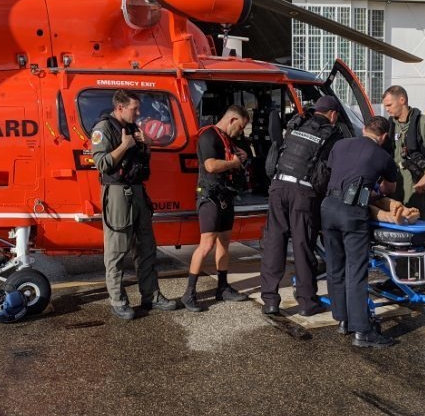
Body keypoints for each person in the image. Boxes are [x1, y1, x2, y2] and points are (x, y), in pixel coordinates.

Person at [91, 90, 177, 320]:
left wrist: (146, 144)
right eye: (134, 108)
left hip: (138, 191)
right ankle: (118, 301)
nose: (138, 113)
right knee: (117, 249)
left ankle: (151, 295)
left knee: (146, 246)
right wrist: (124, 146)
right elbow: (101, 163)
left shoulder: (131, 128)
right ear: (120, 107)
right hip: (118, 193)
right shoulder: (103, 129)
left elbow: (140, 161)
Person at [259, 95, 343, 316]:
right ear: (333, 115)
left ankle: (270, 300)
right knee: (302, 246)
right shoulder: (332, 135)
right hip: (303, 193)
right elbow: (329, 169)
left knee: (274, 244)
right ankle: (306, 303)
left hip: (278, 187)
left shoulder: (297, 123)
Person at [320, 116, 399, 348]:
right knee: (356, 270)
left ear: (364, 129)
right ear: (383, 137)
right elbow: (388, 189)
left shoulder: (340, 145)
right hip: (352, 212)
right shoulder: (383, 156)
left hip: (328, 207)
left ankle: (343, 320)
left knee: (335, 266)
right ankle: (362, 331)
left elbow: (333, 169)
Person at [182, 104, 252, 312]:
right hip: (210, 196)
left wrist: (243, 158)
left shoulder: (228, 139)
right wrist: (234, 163)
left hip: (225, 195)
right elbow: (211, 165)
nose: (240, 132)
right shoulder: (208, 137)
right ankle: (189, 293)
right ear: (232, 120)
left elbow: (237, 157)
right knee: (206, 244)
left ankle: (222, 287)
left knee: (225, 241)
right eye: (240, 127)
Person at [382, 85, 425, 220]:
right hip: (394, 186)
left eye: (389, 105)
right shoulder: (390, 126)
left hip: (417, 185)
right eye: (385, 106)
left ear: (402, 100)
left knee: (420, 222)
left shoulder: (424, 124)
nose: (387, 109)